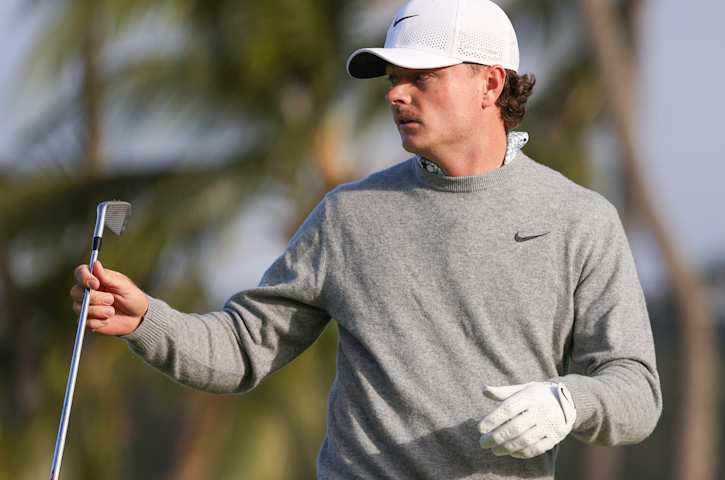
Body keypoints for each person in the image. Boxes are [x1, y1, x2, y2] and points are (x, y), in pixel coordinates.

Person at [70, 0, 661, 478]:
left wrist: (568, 402)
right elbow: (243, 349)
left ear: (489, 84)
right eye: (394, 79)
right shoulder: (348, 216)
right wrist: (147, 319)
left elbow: (635, 391)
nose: (396, 94)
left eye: (421, 78)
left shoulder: (580, 219)